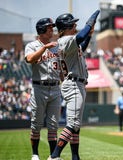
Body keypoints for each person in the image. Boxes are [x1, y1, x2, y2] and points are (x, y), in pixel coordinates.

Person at [48, 10, 100, 160]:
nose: (75, 25)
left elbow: (82, 46)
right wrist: (91, 20)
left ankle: (75, 157)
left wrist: (90, 33)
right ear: (65, 27)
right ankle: (54, 156)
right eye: (72, 23)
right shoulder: (65, 40)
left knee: (75, 126)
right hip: (74, 84)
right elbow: (81, 36)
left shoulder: (67, 42)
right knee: (73, 124)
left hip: (75, 84)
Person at [25, 18, 61, 160]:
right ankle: (35, 154)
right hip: (39, 87)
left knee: (53, 125)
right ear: (41, 30)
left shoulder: (57, 46)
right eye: (49, 28)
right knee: (37, 123)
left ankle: (53, 156)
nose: (52, 30)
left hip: (55, 87)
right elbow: (30, 59)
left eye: (52, 27)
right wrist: (45, 48)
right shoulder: (32, 45)